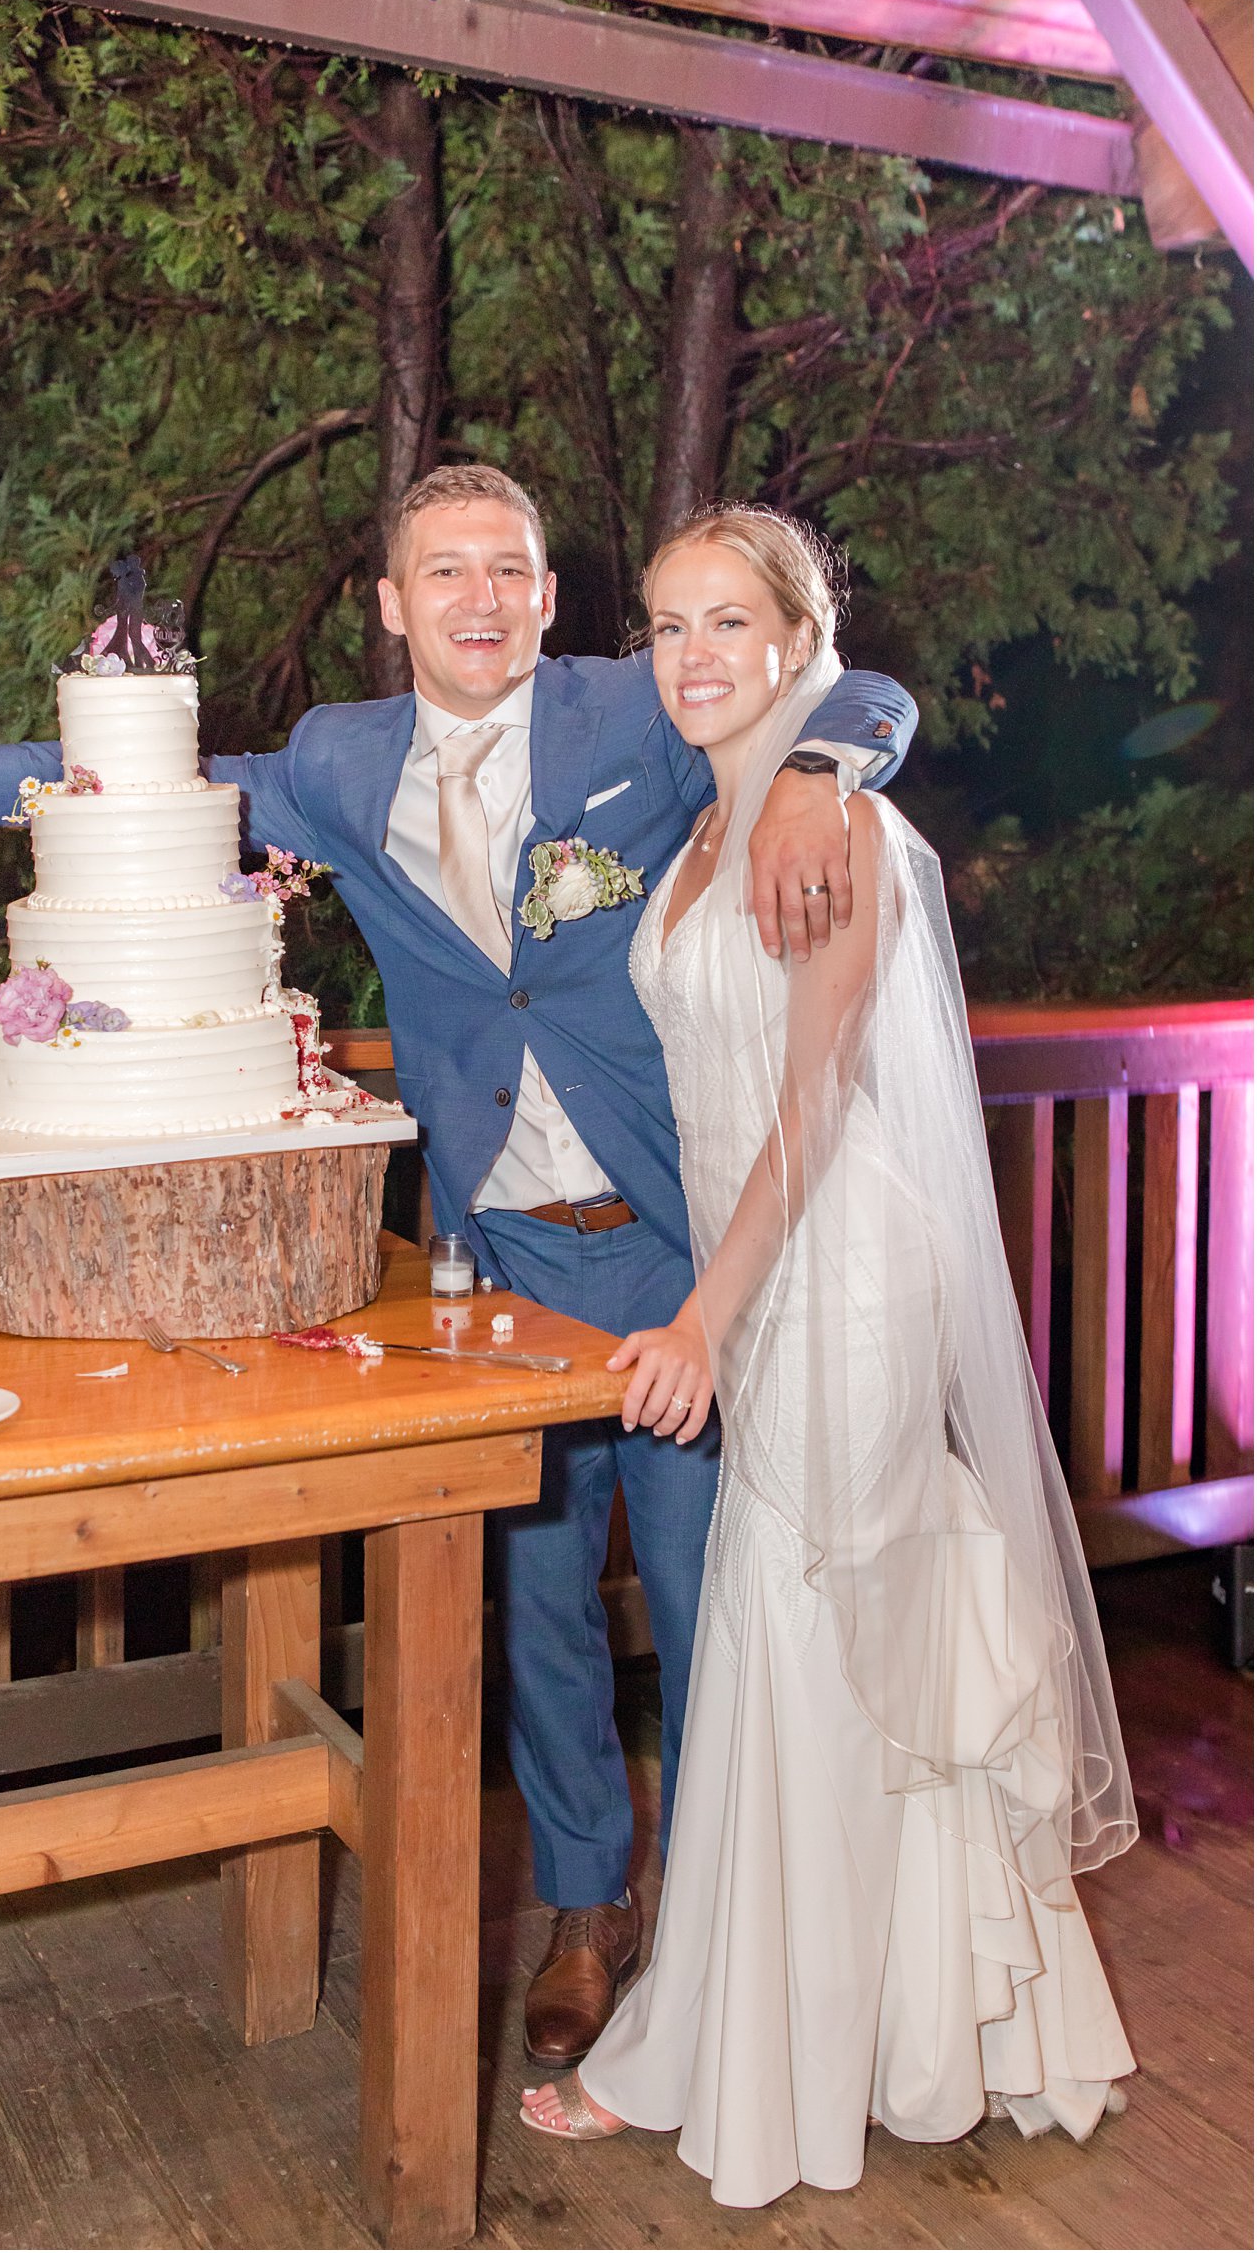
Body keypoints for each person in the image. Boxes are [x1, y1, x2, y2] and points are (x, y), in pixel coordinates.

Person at [0, 467, 916, 2068]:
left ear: (548, 593)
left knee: (726, 1587)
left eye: (507, 570)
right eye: (444, 573)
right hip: (495, 1261)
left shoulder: (632, 709)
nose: (481, 599)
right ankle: (594, 1906)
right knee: (536, 1595)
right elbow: (190, 788)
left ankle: (738, 1926)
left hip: (678, 1239)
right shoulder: (337, 759)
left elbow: (851, 682)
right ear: (394, 605)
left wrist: (811, 779)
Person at [519, 505, 1136, 2202]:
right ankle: (925, 2030)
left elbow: (811, 1102)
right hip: (752, 1260)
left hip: (838, 1270)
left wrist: (704, 1320)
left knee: (805, 1637)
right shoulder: (704, 832)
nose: (695, 655)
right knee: (809, 1645)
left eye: (730, 623)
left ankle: (764, 2057)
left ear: (803, 644)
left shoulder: (835, 830)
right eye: (667, 627)